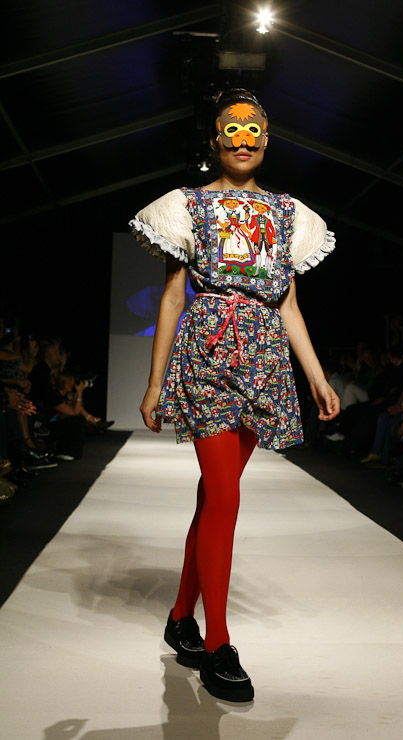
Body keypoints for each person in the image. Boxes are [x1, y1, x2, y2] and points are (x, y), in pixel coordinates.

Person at [130, 88, 340, 703]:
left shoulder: (288, 214)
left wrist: (317, 376)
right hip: (208, 354)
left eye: (254, 131)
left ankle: (180, 617)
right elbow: (174, 296)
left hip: (266, 360)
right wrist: (154, 382)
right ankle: (218, 643)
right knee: (224, 496)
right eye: (232, 129)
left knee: (212, 499)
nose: (243, 140)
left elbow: (289, 305)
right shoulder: (187, 206)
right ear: (215, 139)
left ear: (267, 140)